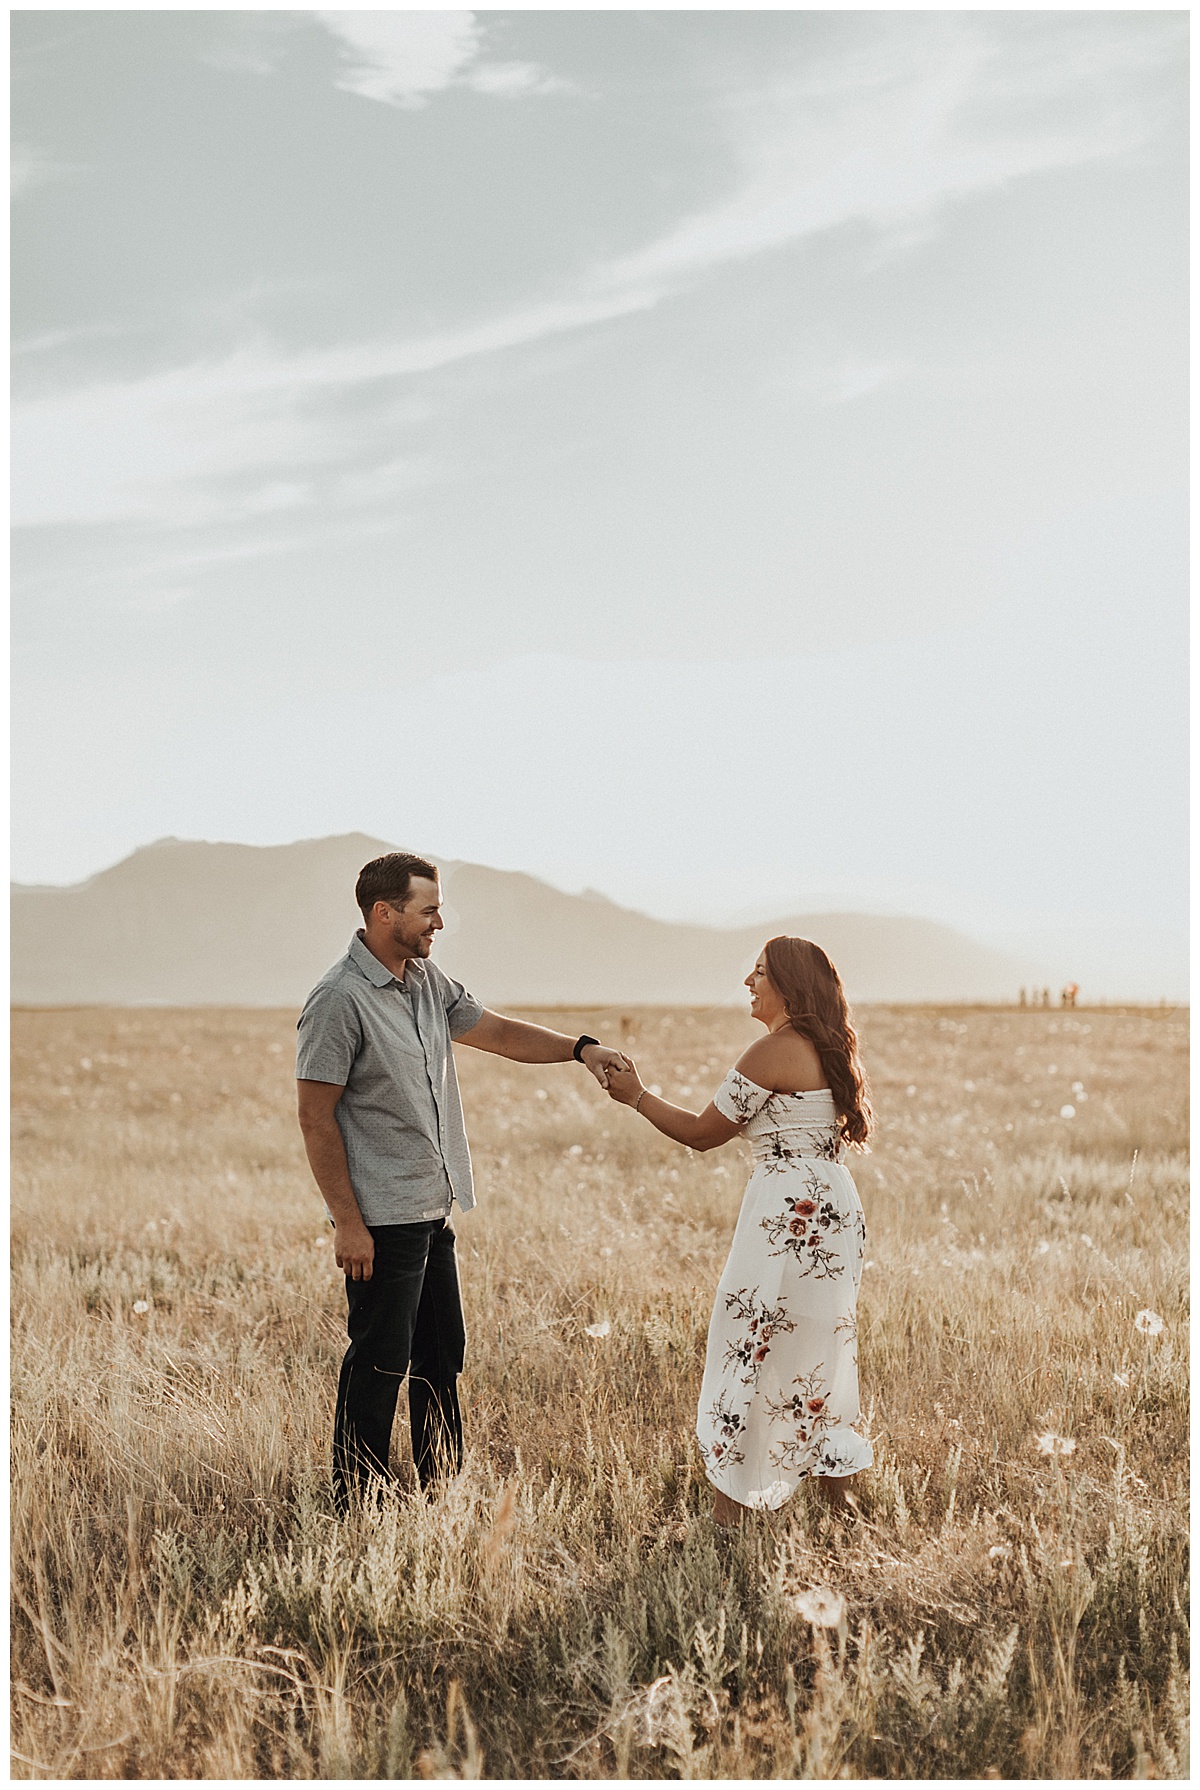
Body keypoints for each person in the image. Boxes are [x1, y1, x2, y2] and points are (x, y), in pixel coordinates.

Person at [296, 851, 627, 1513]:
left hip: (430, 1208)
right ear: (385, 913)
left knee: (441, 1357)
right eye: (428, 910)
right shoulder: (338, 1000)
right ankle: (354, 1503)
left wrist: (580, 1048)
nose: (439, 922)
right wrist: (349, 1222)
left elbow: (498, 1031)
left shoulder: (424, 981)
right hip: (381, 1219)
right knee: (379, 1365)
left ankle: (444, 1491)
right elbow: (315, 1116)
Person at [604, 936, 874, 1526]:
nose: (747, 983)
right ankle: (841, 1503)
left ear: (787, 984)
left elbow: (703, 1133)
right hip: (833, 1207)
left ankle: (732, 1508)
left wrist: (637, 1097)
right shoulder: (829, 1047)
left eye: (758, 973)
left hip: (787, 1212)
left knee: (747, 1343)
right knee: (820, 1346)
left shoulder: (772, 1050)